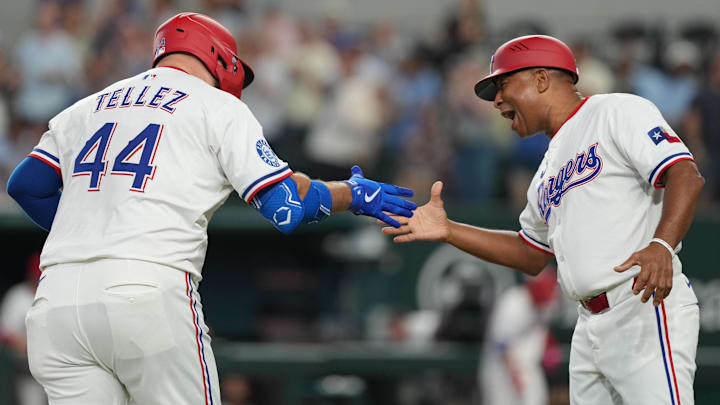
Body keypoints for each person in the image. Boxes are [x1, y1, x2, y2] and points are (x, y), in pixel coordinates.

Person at [5, 12, 416, 405]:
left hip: (56, 298)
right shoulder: (216, 106)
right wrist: (353, 193)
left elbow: (25, 186)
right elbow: (287, 207)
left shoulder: (86, 106)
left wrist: (91, 226)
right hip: (146, 285)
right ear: (220, 57)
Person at [382, 35, 704, 404]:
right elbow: (531, 254)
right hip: (589, 325)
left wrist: (661, 244)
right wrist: (449, 230)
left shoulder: (614, 110)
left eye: (503, 86)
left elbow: (685, 173)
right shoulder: (545, 172)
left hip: (641, 306)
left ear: (540, 79)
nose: (498, 101)